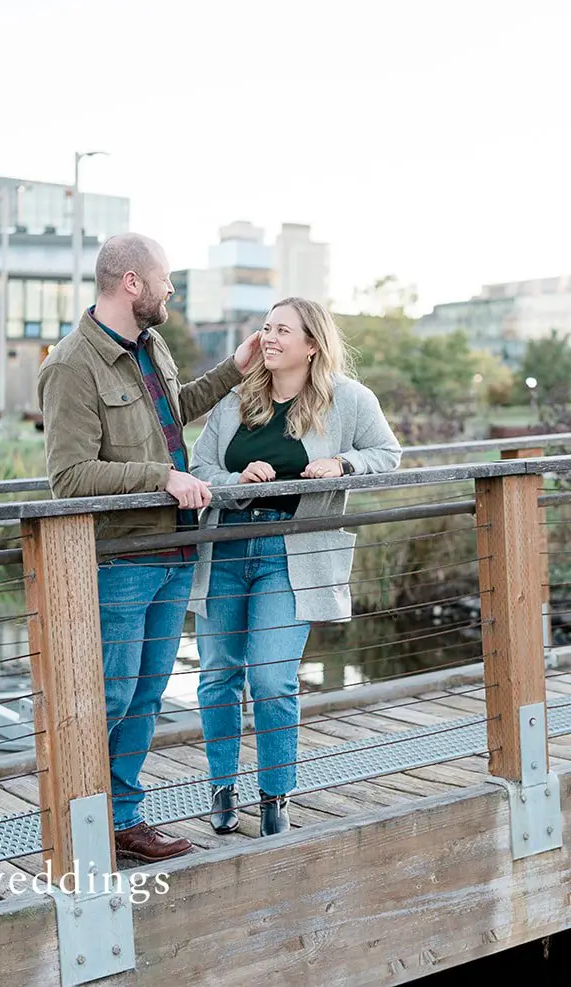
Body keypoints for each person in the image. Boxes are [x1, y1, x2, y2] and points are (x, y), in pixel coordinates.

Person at [37, 232, 260, 864]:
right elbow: (69, 478)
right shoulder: (70, 366)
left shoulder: (151, 345)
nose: (171, 290)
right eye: (165, 279)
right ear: (131, 282)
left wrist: (234, 369)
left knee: (144, 697)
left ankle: (122, 822)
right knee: (107, 697)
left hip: (173, 552)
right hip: (120, 561)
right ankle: (78, 825)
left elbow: (172, 415)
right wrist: (162, 477)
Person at [187, 297, 401, 837]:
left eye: (283, 330)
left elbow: (387, 454)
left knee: (272, 678)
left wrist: (343, 462)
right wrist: (235, 481)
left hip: (291, 554)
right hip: (226, 546)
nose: (270, 338)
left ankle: (274, 796)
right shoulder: (236, 399)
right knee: (217, 677)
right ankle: (221, 789)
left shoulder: (348, 400)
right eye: (266, 328)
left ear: (312, 344)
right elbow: (200, 466)